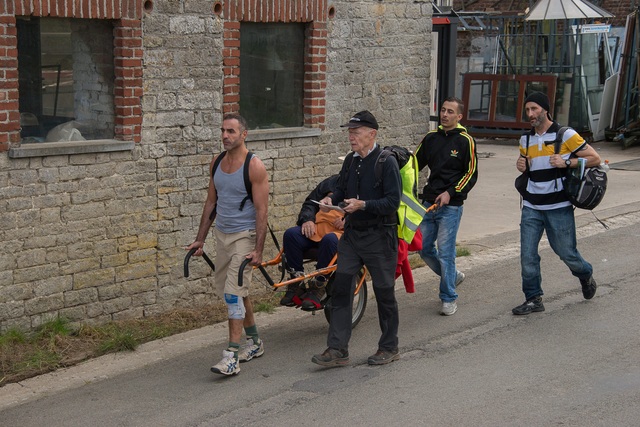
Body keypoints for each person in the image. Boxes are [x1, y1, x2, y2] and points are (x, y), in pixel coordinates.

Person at [311, 110, 402, 367]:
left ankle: (389, 346)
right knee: (342, 288)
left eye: (356, 132)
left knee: (384, 291)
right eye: (349, 132)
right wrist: (331, 198)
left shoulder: (387, 162)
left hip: (380, 236)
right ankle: (337, 349)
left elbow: (393, 202)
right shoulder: (351, 160)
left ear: (371, 134)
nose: (351, 137)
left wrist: (363, 205)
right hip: (352, 235)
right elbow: (341, 186)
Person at [186, 113, 269, 376]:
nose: (225, 135)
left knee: (233, 294)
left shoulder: (254, 166)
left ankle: (231, 356)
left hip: (244, 236)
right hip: (222, 234)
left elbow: (262, 211)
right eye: (223, 130)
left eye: (231, 131)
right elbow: (211, 203)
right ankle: (255, 342)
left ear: (244, 134)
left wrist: (258, 249)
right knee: (235, 290)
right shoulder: (217, 163)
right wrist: (200, 238)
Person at [512, 92, 599, 315]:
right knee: (527, 255)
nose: (530, 114)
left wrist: (567, 161)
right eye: (527, 110)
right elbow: (528, 165)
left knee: (566, 252)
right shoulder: (526, 139)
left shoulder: (565, 134)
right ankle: (533, 298)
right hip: (531, 205)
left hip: (558, 206)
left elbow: (594, 158)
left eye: (534, 109)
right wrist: (522, 165)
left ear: (545, 110)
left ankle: (585, 274)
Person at [415, 96, 478, 316]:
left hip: (451, 206)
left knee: (445, 252)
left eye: (450, 111)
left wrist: (451, 193)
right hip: (429, 202)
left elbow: (471, 173)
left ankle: (448, 298)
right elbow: (413, 164)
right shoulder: (431, 138)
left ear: (459, 116)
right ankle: (453, 276)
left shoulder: (465, 140)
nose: (445, 114)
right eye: (443, 110)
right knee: (423, 248)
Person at [280, 174, 345, 310]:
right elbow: (310, 202)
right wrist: (308, 219)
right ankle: (296, 282)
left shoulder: (364, 185)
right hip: (318, 227)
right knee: (291, 235)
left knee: (329, 240)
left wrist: (349, 220)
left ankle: (319, 285)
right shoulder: (331, 182)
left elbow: (369, 211)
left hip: (342, 232)